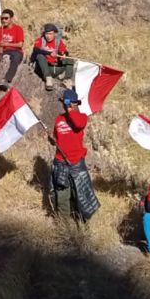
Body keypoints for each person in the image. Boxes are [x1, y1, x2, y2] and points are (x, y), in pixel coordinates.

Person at [49, 89, 99, 222]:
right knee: (62, 195)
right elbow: (56, 137)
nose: (65, 105)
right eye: (64, 102)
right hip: (60, 162)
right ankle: (64, 226)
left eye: (68, 102)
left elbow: (78, 124)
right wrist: (51, 140)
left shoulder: (82, 117)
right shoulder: (59, 118)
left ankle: (82, 227)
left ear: (75, 103)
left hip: (76, 163)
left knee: (80, 196)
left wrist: (71, 108)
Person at [31, 23, 74, 92]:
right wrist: (49, 53)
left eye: (50, 34)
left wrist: (63, 54)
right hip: (44, 68)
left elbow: (64, 51)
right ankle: (48, 78)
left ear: (55, 34)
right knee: (40, 56)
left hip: (55, 67)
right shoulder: (40, 40)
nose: (48, 36)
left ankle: (67, 79)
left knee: (69, 59)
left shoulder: (58, 41)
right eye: (46, 34)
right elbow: (36, 50)